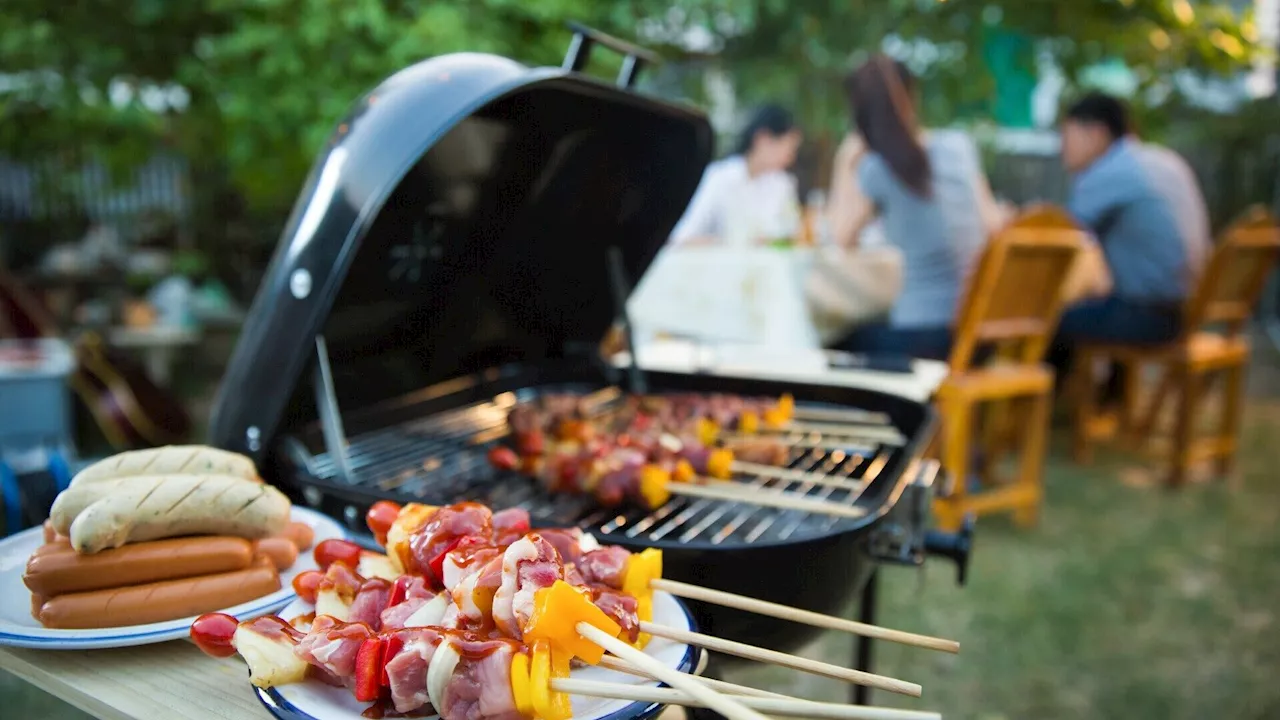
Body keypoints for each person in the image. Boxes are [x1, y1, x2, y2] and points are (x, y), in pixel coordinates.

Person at [825, 55, 1008, 360]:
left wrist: (844, 161)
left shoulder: (877, 168)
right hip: (978, 337)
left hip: (922, 340)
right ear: (913, 96)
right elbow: (993, 226)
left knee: (832, 338)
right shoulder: (959, 146)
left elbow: (838, 239)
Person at [1053, 93, 1205, 365]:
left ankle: (1057, 406)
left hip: (1149, 318)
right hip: (1186, 310)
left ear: (1096, 133)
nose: (1062, 148)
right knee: (1094, 304)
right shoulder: (1163, 160)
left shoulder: (1110, 171)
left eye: (1066, 137)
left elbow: (1056, 237)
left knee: (1044, 319)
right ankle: (1103, 401)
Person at [668, 104, 803, 247]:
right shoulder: (719, 178)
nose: (790, 158)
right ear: (762, 139)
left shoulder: (782, 184)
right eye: (788, 148)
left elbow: (793, 235)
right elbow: (681, 237)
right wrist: (728, 243)